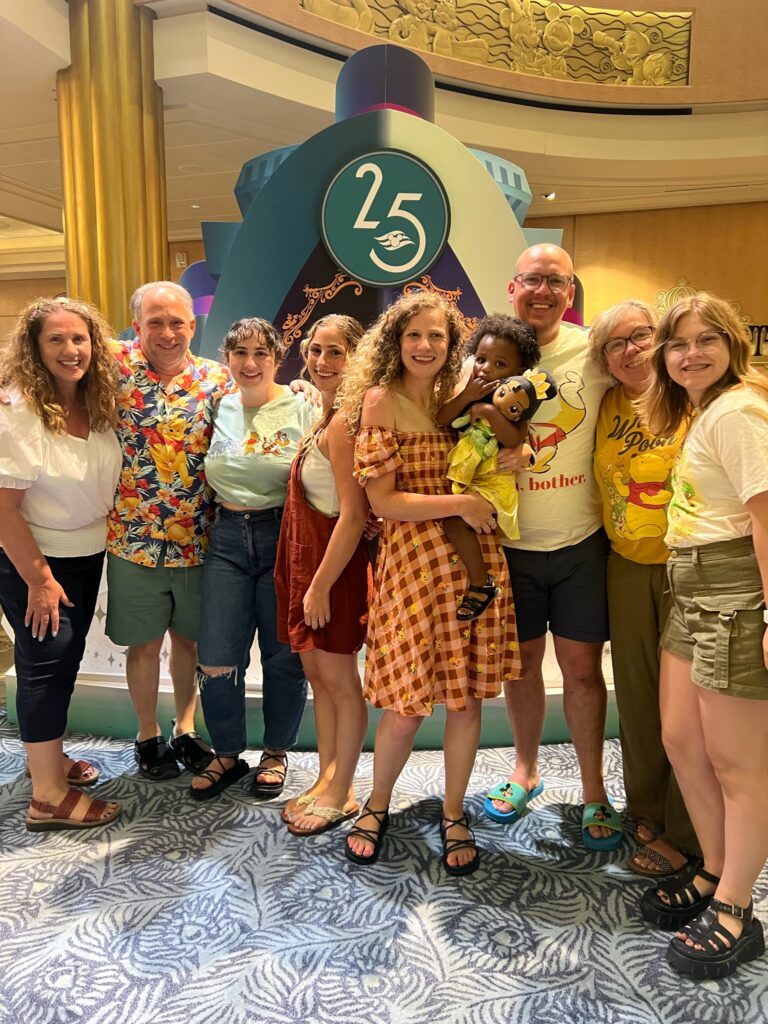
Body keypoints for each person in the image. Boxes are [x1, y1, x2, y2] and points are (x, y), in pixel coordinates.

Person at [338, 291, 522, 875]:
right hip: (415, 569)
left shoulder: (461, 398)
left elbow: (504, 444)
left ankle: (453, 811)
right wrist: (461, 503)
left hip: (475, 565)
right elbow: (384, 503)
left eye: (436, 336)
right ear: (395, 342)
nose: (424, 345)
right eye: (413, 335)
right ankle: (377, 803)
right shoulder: (379, 401)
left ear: (452, 344)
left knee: (465, 702)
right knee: (405, 706)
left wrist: (516, 458)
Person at [637, 293, 768, 979]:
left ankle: (736, 908)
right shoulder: (705, 411)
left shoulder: (740, 411)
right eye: (678, 343)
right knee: (682, 741)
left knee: (738, 765)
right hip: (689, 584)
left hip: (734, 589)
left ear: (732, 344)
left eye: (706, 339)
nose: (691, 353)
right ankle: (715, 870)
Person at [487, 244, 618, 848]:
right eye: (533, 280)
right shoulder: (488, 356)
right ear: (513, 287)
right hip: (510, 546)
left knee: (583, 672)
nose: (543, 291)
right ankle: (526, 770)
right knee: (520, 668)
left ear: (570, 292)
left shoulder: (593, 351)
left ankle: (594, 790)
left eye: (556, 282)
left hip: (579, 543)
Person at [0, 297, 122, 831]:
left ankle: (47, 760)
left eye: (79, 338)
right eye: (56, 339)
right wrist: (40, 580)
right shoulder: (18, 411)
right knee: (45, 668)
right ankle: (47, 797)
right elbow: (3, 509)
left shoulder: (95, 402)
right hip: (36, 561)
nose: (71, 350)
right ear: (34, 348)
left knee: (62, 663)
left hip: (84, 555)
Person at [105, 281, 231, 781]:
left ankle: (185, 727)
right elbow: (53, 357)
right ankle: (146, 733)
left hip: (200, 540)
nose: (167, 333)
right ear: (137, 326)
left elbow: (264, 405)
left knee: (190, 644)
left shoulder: (217, 378)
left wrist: (303, 389)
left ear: (192, 325)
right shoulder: (114, 368)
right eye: (155, 322)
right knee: (142, 645)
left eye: (177, 322)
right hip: (133, 540)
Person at [590, 299, 698, 876]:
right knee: (637, 696)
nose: (630, 350)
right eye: (615, 343)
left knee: (689, 705)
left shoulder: (694, 398)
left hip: (691, 569)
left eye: (640, 336)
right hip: (626, 564)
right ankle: (647, 808)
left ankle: (687, 828)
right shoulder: (606, 403)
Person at [189, 318, 315, 800]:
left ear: (277, 358)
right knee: (217, 656)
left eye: (261, 352)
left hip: (282, 535)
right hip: (226, 538)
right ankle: (226, 752)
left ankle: (276, 751)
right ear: (227, 358)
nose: (250, 362)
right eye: (240, 352)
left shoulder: (301, 404)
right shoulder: (217, 405)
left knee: (283, 656)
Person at [274, 314, 372, 836]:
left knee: (340, 682)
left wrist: (319, 587)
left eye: (336, 352)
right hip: (309, 561)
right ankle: (327, 776)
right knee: (318, 677)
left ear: (358, 359)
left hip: (333, 569)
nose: (322, 361)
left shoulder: (345, 422)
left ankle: (343, 788)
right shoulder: (324, 412)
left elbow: (353, 515)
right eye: (315, 350)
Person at [435, 315, 552, 620]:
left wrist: (487, 410)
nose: (486, 368)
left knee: (453, 522)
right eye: (481, 359)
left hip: (494, 485)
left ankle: (481, 584)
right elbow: (442, 419)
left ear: (518, 373)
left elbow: (514, 438)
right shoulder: (467, 388)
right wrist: (467, 396)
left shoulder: (515, 403)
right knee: (452, 523)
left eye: (499, 364)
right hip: (470, 481)